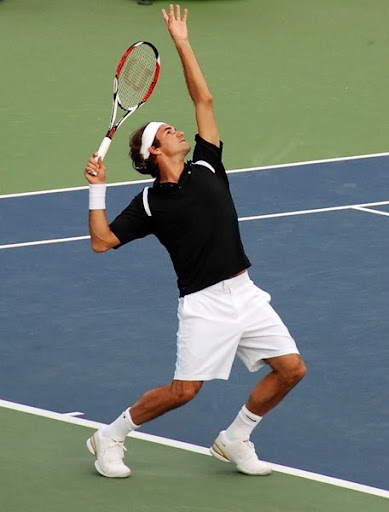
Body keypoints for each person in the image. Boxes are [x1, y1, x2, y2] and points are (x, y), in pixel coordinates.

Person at [84, 4, 307, 479]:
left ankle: (236, 438)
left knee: (291, 369)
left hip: (245, 293)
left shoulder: (207, 164)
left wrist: (183, 42)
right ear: (154, 151)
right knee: (184, 391)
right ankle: (109, 436)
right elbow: (102, 242)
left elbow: (203, 101)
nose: (179, 129)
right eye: (168, 130)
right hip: (204, 304)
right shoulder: (148, 203)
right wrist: (97, 190)